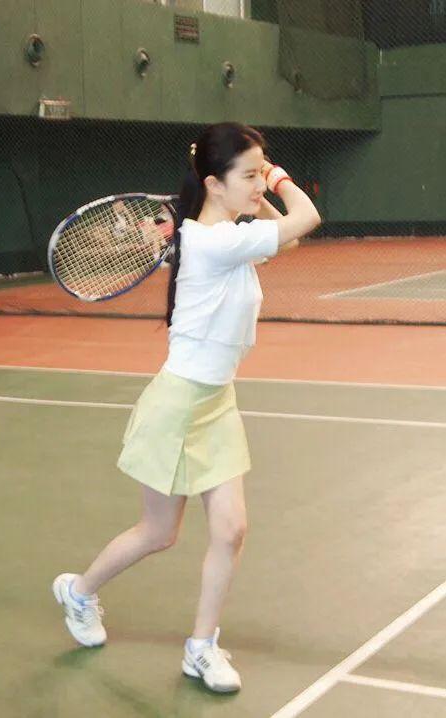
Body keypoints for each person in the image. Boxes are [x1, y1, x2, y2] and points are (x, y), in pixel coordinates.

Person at [52, 122, 321, 693]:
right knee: (159, 533)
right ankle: (77, 591)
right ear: (213, 184)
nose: (258, 183)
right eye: (248, 174)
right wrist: (278, 178)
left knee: (231, 530)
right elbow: (307, 219)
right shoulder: (212, 243)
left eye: (261, 171)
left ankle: (201, 647)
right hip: (177, 406)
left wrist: (255, 189)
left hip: (217, 401)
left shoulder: (229, 235)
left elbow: (289, 239)